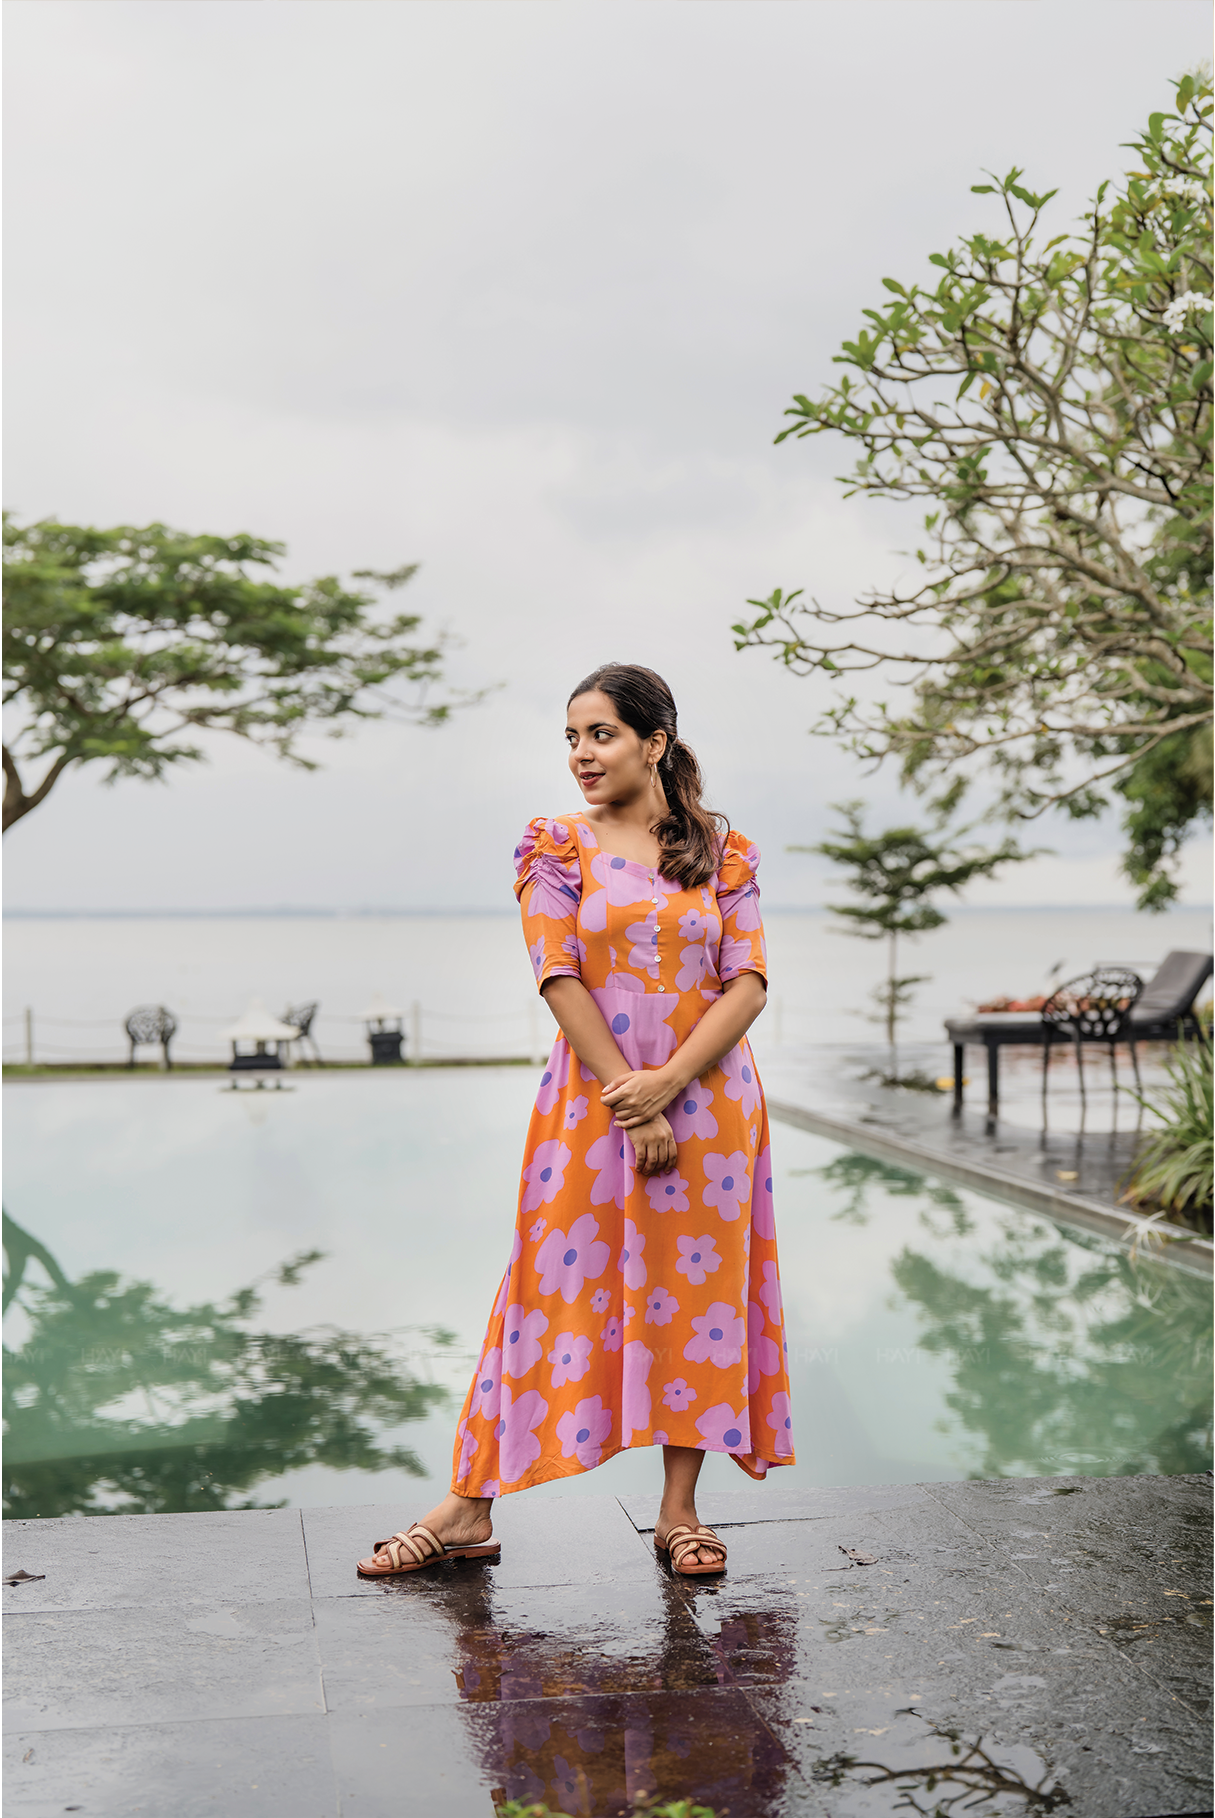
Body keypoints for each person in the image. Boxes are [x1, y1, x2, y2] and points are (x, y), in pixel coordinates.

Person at [356, 663, 794, 1580]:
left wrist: (669, 1082)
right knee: (542, 1290)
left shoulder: (727, 851)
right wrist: (629, 1098)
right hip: (592, 1106)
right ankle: (469, 1504)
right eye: (571, 737)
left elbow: (747, 982)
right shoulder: (554, 844)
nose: (581, 755)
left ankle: (679, 1512)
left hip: (709, 1104)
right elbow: (558, 975)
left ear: (655, 743)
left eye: (600, 735)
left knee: (698, 1302)